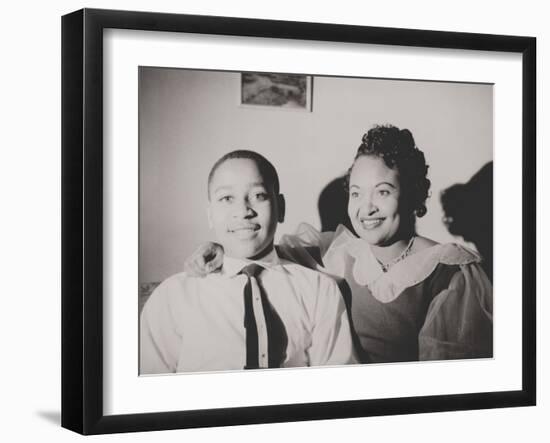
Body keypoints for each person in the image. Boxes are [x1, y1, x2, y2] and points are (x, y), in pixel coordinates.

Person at [186, 125, 493, 363]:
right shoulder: (338, 252)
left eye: (383, 192)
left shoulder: (449, 271)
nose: (366, 207)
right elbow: (260, 251)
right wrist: (221, 248)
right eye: (356, 193)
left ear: (413, 194)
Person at [140, 150, 356, 374]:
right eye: (227, 198)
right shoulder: (173, 297)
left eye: (259, 195)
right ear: (210, 215)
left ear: (280, 207)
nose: (243, 211)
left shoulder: (320, 290)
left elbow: (336, 381)